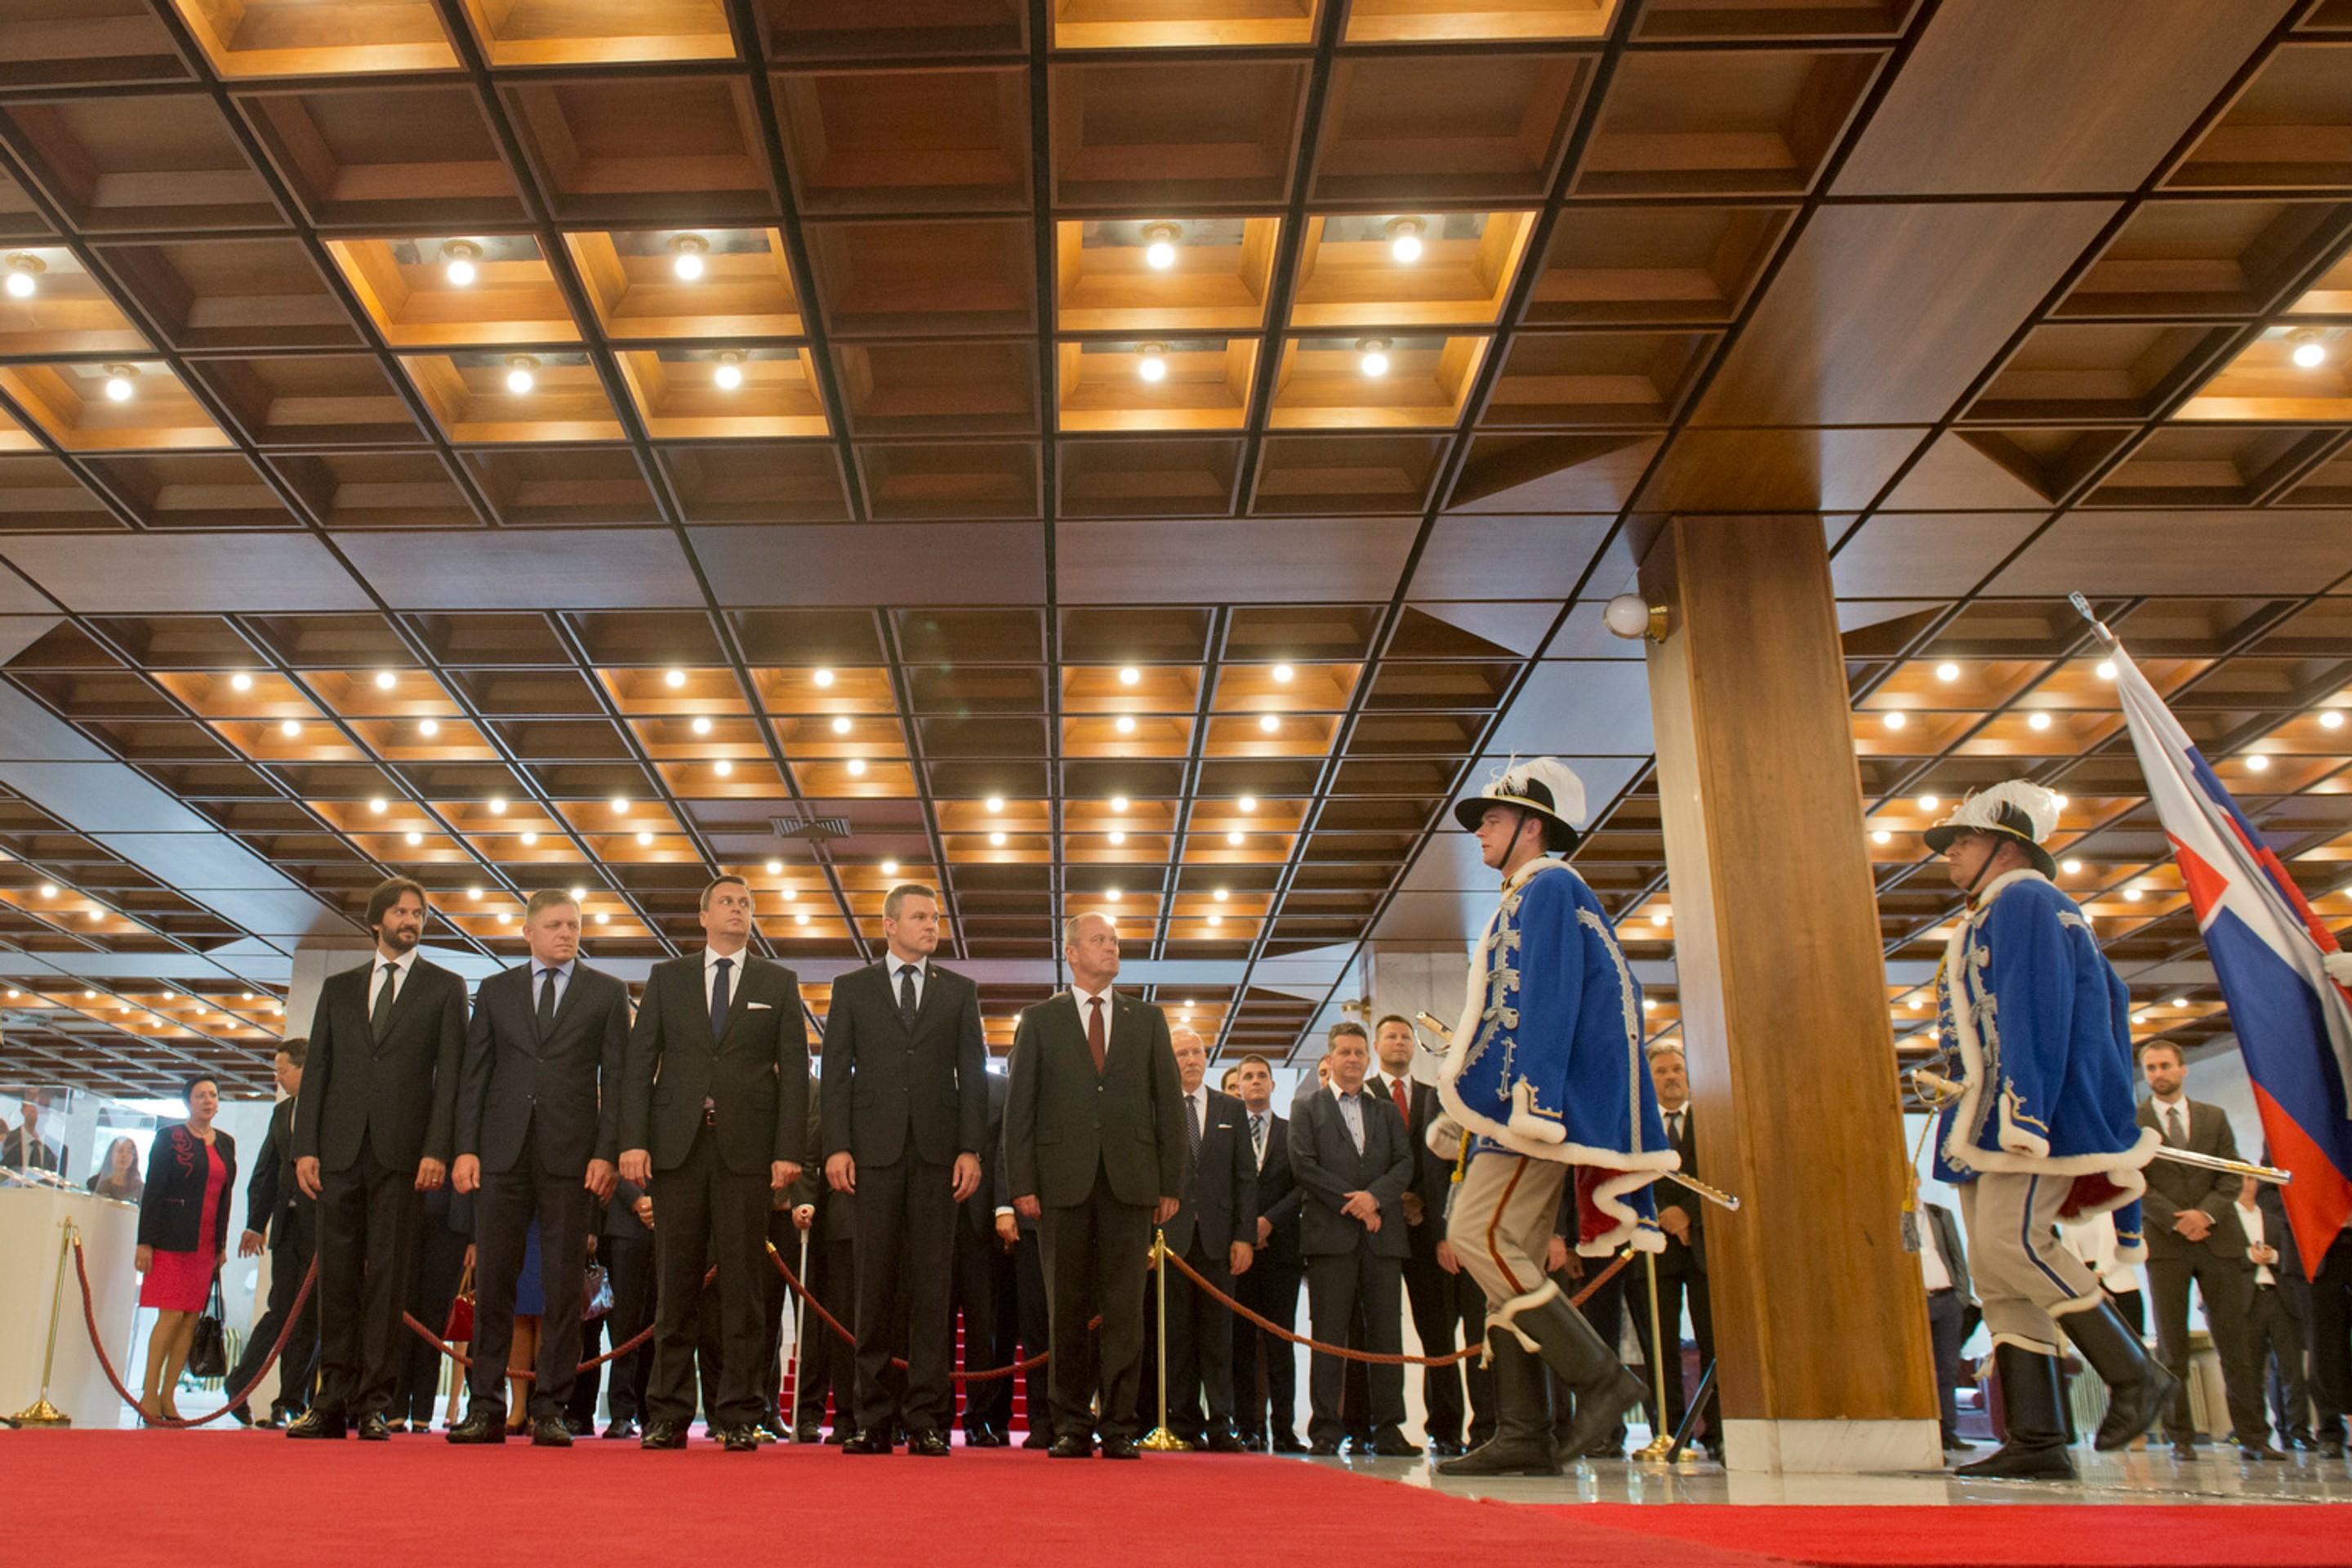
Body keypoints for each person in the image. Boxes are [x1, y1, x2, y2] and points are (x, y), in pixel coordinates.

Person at [1923, 781, 2172, 1480]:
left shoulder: (2029, 901)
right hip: (1979, 1115)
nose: (1951, 856)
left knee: (2012, 1246)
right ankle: (2038, 1436)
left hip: (2022, 1113)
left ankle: (2134, 1372)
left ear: (2008, 848)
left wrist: (2023, 1113)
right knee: (2001, 1278)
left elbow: (2036, 1010)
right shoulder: (1996, 910)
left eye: (1963, 842)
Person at [1434, 759, 1670, 1479]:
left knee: (1478, 1236)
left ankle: (1601, 1381)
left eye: (1494, 822)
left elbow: (1551, 1001)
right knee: (1512, 1257)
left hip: (1536, 1113)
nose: (1480, 834)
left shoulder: (1552, 886)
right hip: (1517, 1111)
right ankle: (1524, 1433)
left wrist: (1533, 1104)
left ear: (1532, 829)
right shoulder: (1524, 896)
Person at [619, 873, 808, 1452]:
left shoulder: (777, 982)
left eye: (746, 903)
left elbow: (796, 1074)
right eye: (727, 902)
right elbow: (638, 1063)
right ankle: (668, 1413)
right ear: (703, 917)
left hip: (748, 1155)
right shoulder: (667, 979)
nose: (738, 909)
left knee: (744, 1288)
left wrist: (788, 1152)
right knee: (674, 1285)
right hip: (677, 1149)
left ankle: (738, 1413)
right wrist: (633, 1141)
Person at [447, 889, 630, 1448]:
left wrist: (606, 1153)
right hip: (501, 1154)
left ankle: (552, 1407)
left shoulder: (606, 992)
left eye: (573, 925)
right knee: (496, 1280)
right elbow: (474, 1075)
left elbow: (617, 1082)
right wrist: (466, 1148)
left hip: (573, 1158)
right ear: (528, 932)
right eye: (554, 925)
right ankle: (485, 1407)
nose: (566, 934)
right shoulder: (496, 991)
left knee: (560, 1287)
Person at [289, 877, 465, 1441]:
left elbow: (451, 1080)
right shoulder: (339, 989)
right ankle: (331, 1399)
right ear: (377, 920)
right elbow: (316, 1071)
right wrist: (305, 1147)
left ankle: (374, 1402)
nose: (411, 920)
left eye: (419, 912)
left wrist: (438, 1149)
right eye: (402, 912)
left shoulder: (445, 987)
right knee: (336, 1277)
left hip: (404, 1153)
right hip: (338, 1150)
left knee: (389, 1280)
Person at [1004, 910, 1184, 1460]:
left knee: (1126, 1308)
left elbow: (1169, 1105)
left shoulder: (1147, 1018)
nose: (1111, 947)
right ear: (1073, 954)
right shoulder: (1039, 1020)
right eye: (1099, 940)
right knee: (1067, 1307)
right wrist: (1022, 1183)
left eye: (1115, 940)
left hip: (1132, 1182)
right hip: (1061, 1183)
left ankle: (1121, 1425)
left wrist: (1170, 1181)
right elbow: (1021, 1111)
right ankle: (1072, 1424)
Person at [821, 882, 987, 1457]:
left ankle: (926, 1417)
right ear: (889, 925)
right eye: (919, 916)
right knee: (873, 1285)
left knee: (931, 1288)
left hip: (939, 1156)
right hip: (871, 1154)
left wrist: (972, 1149)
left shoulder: (959, 992)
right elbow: (836, 1070)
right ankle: (872, 1416)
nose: (930, 924)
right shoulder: (852, 989)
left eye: (934, 917)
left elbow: (974, 1075)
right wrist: (836, 1146)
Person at [2136, 1040, 2273, 1459]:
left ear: (2183, 1069)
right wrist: (2178, 1218)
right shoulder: (2133, 1120)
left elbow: (2232, 1174)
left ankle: (2253, 1437)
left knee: (2236, 1346)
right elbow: (2132, 1178)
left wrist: (2205, 1216)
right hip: (2167, 1243)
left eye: (2165, 1066)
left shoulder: (2214, 1118)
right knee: (2171, 1348)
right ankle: (2181, 1439)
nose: (2158, 1074)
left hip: (2219, 1240)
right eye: (2151, 1068)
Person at [1292, 1022, 1414, 1456]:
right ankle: (1326, 1427)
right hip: (1331, 1239)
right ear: (1330, 1059)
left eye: (1359, 1052)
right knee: (1329, 1335)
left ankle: (1389, 1429)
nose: (1352, 1059)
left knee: (1386, 1336)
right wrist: (1355, 1204)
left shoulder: (1384, 1111)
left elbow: (1404, 1164)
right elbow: (1304, 1166)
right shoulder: (1308, 1109)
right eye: (1344, 1052)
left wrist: (1375, 1199)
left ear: (1368, 1058)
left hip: (1382, 1240)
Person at [1366, 1014, 1463, 1456]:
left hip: (1428, 1235)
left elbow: (1445, 1163)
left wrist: (1421, 1202)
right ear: (1376, 1044)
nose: (1400, 1042)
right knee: (1376, 1334)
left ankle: (1445, 1427)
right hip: (1376, 1233)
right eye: (1391, 1036)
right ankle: (1377, 1426)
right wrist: (1392, 1201)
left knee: (1438, 1334)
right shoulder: (1358, 1094)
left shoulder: (1435, 1097)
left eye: (1406, 1036)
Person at [1155, 1025, 1255, 1450]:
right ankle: (1181, 1420)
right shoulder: (1157, 1108)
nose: (1191, 1061)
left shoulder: (1231, 1108)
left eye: (1196, 1052)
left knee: (1219, 1335)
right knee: (1175, 1335)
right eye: (1181, 1054)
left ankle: (1221, 1422)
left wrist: (1244, 1236)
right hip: (1170, 1240)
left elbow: (1246, 1178)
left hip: (1219, 1239)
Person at [132, 1076, 237, 1424]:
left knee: (190, 1319)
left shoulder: (226, 1143)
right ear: (187, 1102)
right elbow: (154, 1190)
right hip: (170, 1238)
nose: (208, 1101)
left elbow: (225, 1197)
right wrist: (144, 1240)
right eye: (200, 1095)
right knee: (171, 1315)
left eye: (212, 1095)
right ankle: (148, 1393)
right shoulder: (170, 1138)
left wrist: (221, 1243)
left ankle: (168, 1395)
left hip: (206, 1243)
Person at [227, 1042, 318, 1428]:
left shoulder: (329, 1107)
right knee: (282, 1309)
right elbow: (265, 1171)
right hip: (286, 1226)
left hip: (320, 1228)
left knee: (309, 1315)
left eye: (283, 1071)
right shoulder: (282, 1113)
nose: (277, 1078)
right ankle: (241, 1383)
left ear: (305, 1068)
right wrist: (254, 1222)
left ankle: (289, 1402)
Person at [1636, 1045, 1717, 1456]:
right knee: (1660, 1346)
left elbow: (1725, 1171)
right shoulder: (1638, 1124)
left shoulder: (1714, 1119)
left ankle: (1718, 1433)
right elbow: (1630, 1175)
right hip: (1654, 1250)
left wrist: (1687, 1214)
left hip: (1704, 1244)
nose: (1671, 1077)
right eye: (1662, 1071)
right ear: (1650, 1081)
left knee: (1713, 1341)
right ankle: (1666, 1431)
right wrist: (1663, 1214)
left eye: (1677, 1069)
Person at [1227, 1053, 1303, 1453]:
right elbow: (1221, 1188)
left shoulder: (1293, 1134)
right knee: (1240, 1344)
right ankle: (1247, 1425)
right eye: (1248, 1077)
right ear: (1238, 1086)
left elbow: (1302, 1185)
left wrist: (1268, 1221)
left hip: (1282, 1251)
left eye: (1262, 1076)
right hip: (1238, 1253)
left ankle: (1285, 1427)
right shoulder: (1227, 1132)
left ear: (1273, 1085)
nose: (1255, 1082)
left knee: (1280, 1344)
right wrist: (1244, 1229)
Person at [954, 1066, 1018, 1447]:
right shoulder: (929, 1080)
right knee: (930, 1326)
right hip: (934, 1223)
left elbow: (1007, 1151)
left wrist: (1002, 1208)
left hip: (983, 1228)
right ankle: (931, 1415)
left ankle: (980, 1418)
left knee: (984, 1330)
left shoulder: (1001, 1088)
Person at [2238, 1174, 2312, 1453]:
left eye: (2251, 1178)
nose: (2248, 1184)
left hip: (2280, 1296)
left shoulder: (2272, 1215)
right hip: (2247, 1299)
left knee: (2292, 1369)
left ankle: (2299, 1432)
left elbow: (2290, 1252)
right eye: (2241, 1179)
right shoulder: (2226, 1218)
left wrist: (2274, 1256)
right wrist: (2248, 1255)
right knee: (2251, 1371)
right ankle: (2257, 1434)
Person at [1906, 1169, 1975, 1454]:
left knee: (1947, 1367)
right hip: (1917, 1302)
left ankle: (1948, 1431)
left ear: (1918, 1181)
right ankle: (1925, 1430)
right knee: (1920, 1368)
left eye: (1910, 1177)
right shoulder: (1900, 1219)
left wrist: (1961, 1295)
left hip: (1947, 1300)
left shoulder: (1939, 1215)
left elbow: (1956, 1255)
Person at [601, 1175, 657, 1439]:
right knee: (624, 1322)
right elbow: (613, 1150)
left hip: (674, 1217)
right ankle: (622, 1412)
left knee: (661, 1322)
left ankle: (655, 1411)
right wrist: (636, 1199)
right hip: (625, 1220)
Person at [4, 1091, 62, 1174]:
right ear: (23, 1110)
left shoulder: (57, 1149)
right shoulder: (6, 1140)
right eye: (34, 1105)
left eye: (45, 1106)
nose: (39, 1111)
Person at [88, 1137, 145, 1203]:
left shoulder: (141, 1190)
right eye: (119, 1151)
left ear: (134, 1157)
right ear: (110, 1154)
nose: (124, 1155)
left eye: (129, 1152)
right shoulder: (94, 1183)